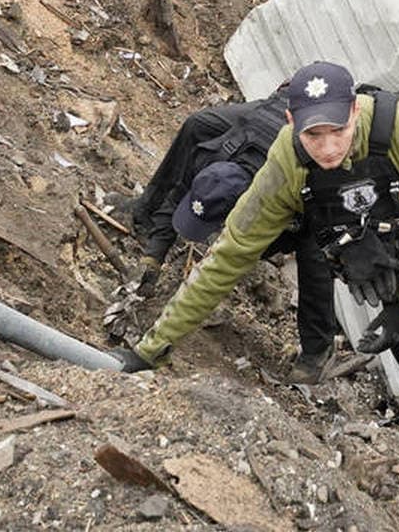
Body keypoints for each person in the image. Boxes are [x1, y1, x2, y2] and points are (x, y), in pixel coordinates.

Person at [125, 61, 399, 460]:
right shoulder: (287, 167)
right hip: (398, 261)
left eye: (338, 131)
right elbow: (229, 255)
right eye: (313, 136)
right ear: (292, 124)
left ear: (354, 110)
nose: (327, 148)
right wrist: (152, 347)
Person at [107, 94, 336, 381]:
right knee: (197, 123)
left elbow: (222, 269)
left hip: (322, 126)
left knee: (315, 245)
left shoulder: (278, 192)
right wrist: (153, 255)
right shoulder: (212, 156)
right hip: (285, 105)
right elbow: (179, 192)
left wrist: (149, 351)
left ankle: (318, 350)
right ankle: (143, 209)